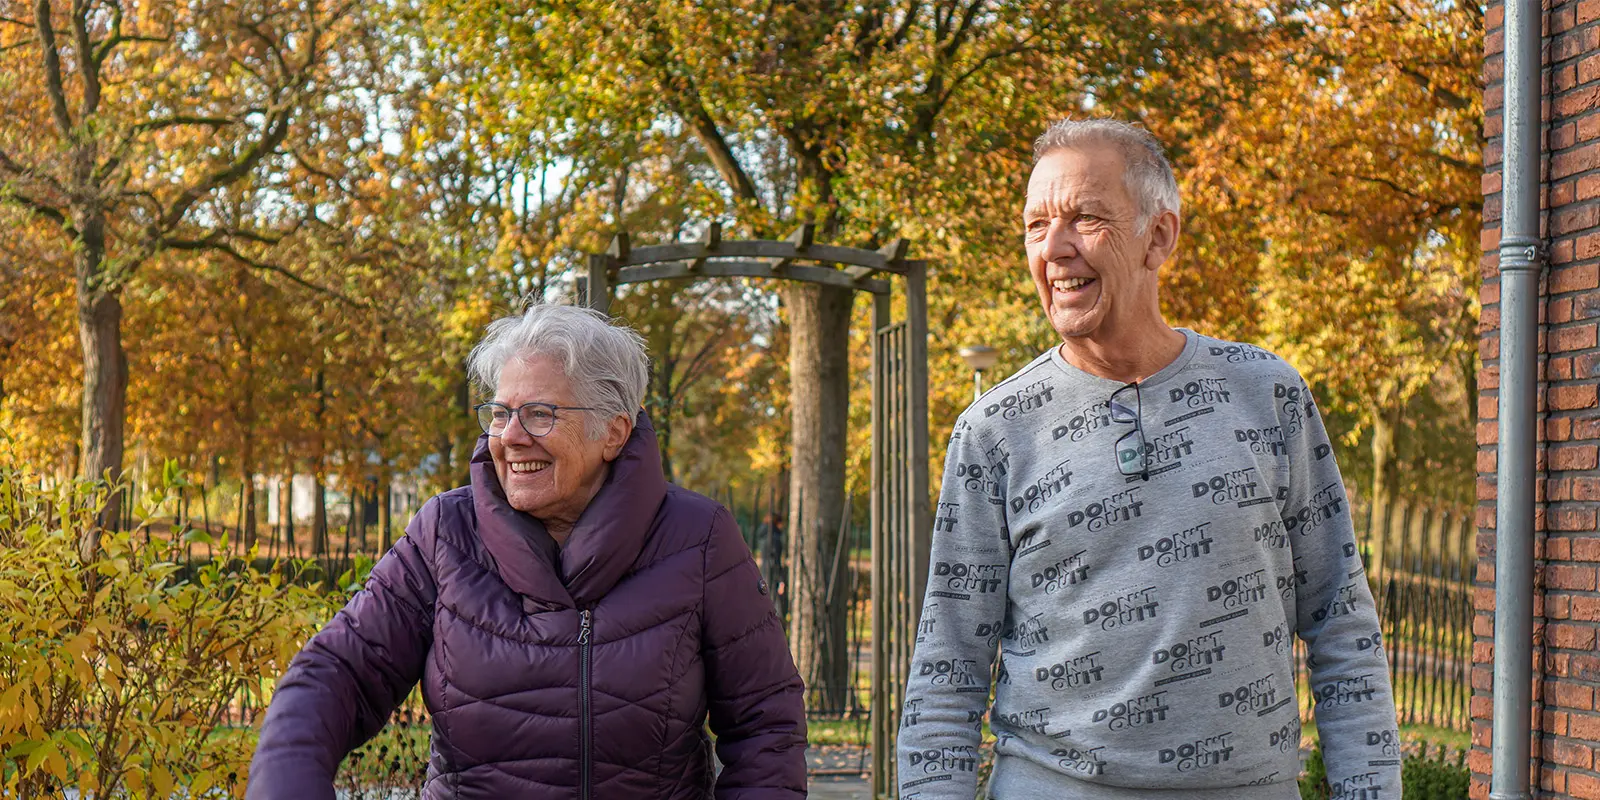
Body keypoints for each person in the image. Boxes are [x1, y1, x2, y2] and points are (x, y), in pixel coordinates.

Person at [897, 119, 1399, 800]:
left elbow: (1340, 622)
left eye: (1085, 219)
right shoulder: (993, 431)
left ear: (1158, 236)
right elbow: (948, 669)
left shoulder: (1268, 394)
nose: (1056, 249)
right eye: (1036, 226)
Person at [247, 303, 807, 799]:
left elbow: (765, 725)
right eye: (499, 413)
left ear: (613, 433)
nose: (511, 436)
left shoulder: (698, 536)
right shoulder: (445, 531)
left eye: (540, 414)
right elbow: (338, 673)